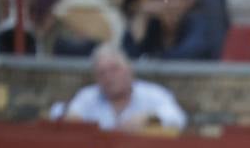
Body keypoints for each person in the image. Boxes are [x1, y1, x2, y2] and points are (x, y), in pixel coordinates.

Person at [55, 43, 188, 132]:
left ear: (129, 69)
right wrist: (68, 116)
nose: (108, 77)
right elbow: (59, 113)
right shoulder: (87, 96)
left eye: (114, 69)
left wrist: (149, 118)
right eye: (102, 73)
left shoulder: (153, 94)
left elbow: (178, 118)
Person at [123, 0, 222, 59]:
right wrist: (141, 16)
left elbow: (189, 55)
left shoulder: (199, 23)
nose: (167, 4)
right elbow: (128, 56)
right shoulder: (152, 26)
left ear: (185, 1)